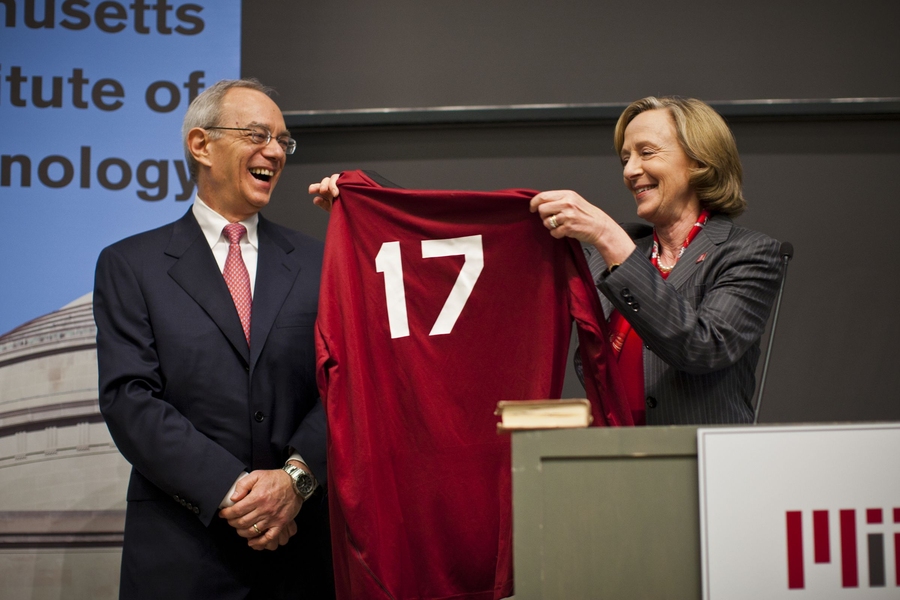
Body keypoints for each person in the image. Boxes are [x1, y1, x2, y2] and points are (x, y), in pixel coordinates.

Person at [94, 78, 333, 599]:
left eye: (283, 140)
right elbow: (129, 398)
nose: (274, 150)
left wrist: (294, 481)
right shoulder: (130, 265)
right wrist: (234, 493)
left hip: (301, 554)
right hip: (182, 554)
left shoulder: (320, 262)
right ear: (201, 145)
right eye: (256, 134)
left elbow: (346, 384)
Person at [530, 96, 781, 424]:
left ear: (699, 161)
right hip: (614, 459)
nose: (631, 171)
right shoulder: (606, 254)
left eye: (646, 153)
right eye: (625, 159)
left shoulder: (748, 253)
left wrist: (608, 235)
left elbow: (702, 347)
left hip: (704, 463)